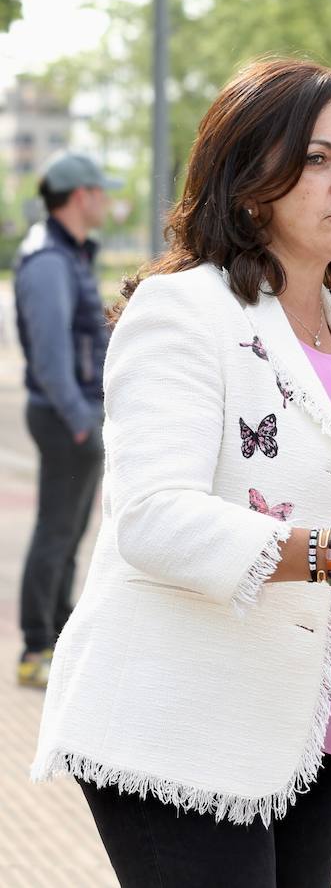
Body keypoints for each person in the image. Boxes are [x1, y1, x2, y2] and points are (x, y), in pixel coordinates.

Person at [31, 57, 331, 887]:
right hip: (182, 724)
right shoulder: (183, 310)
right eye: (315, 158)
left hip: (304, 737)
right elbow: (152, 519)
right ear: (249, 180)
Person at [13, 152, 118, 688]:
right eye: (102, 191)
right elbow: (52, 359)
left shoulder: (67, 253)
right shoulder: (50, 261)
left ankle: (56, 634)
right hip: (65, 417)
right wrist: (82, 422)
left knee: (70, 531)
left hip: (72, 414)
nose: (108, 200)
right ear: (82, 196)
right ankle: (36, 647)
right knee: (57, 533)